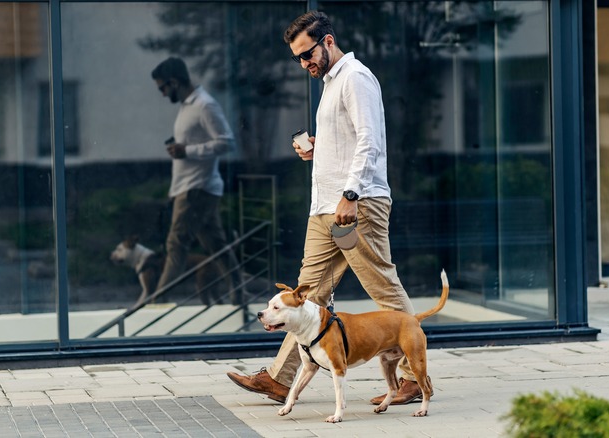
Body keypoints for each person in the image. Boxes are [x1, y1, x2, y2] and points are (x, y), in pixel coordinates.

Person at [227, 11, 431, 406]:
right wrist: (320, 148)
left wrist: (351, 195)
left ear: (329, 41)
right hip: (324, 206)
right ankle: (279, 378)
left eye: (308, 54)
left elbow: (370, 140)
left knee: (384, 289)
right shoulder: (330, 83)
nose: (305, 63)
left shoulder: (355, 78)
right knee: (307, 293)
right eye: (298, 59)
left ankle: (410, 377)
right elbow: (350, 140)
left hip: (358, 203)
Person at [151, 57, 242, 305]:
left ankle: (156, 303)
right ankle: (239, 296)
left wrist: (187, 151)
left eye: (162, 88)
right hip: (192, 187)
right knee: (217, 245)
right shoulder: (187, 106)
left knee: (176, 244)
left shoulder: (205, 105)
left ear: (174, 81)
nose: (161, 93)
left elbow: (227, 142)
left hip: (197, 188)